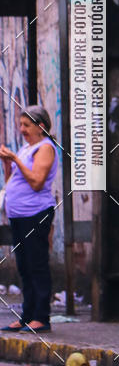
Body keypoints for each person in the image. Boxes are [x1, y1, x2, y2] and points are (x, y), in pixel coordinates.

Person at [0, 106, 58, 334]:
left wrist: (15, 158)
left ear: (40, 127)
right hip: (18, 215)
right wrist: (8, 163)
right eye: (21, 124)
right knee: (24, 266)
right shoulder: (26, 148)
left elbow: (36, 181)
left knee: (37, 264)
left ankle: (41, 317)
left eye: (26, 125)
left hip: (35, 214)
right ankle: (27, 315)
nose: (22, 129)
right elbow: (13, 180)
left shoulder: (45, 148)